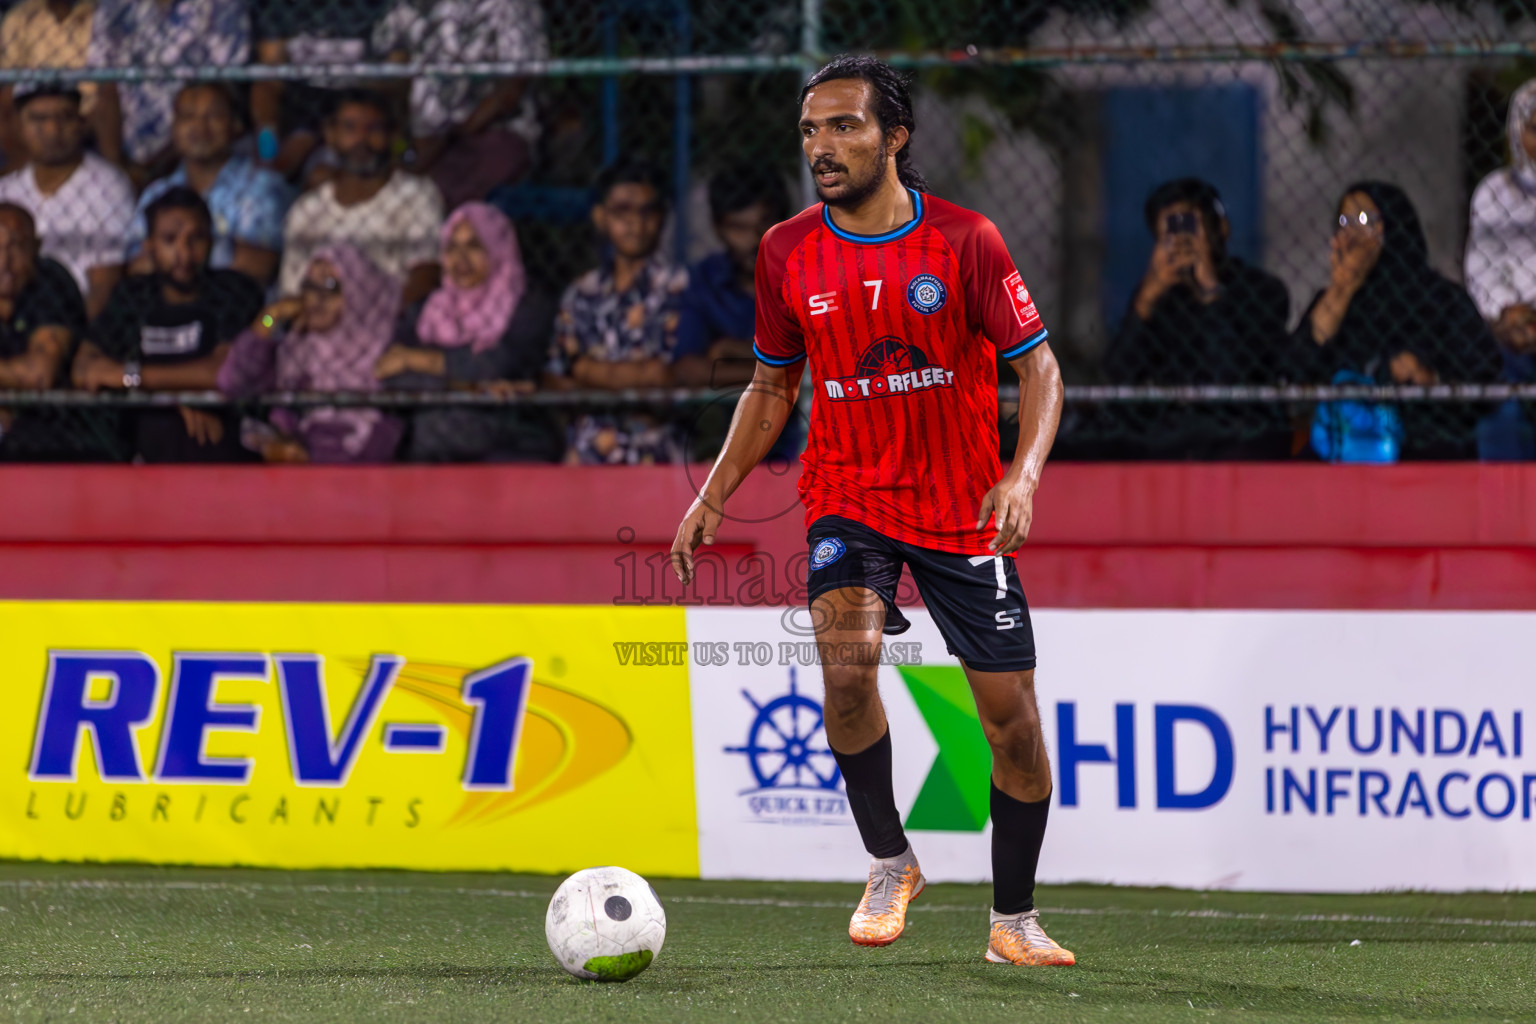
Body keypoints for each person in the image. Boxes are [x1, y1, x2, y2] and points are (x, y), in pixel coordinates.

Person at [669, 55, 1073, 967]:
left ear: (895, 138)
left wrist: (1023, 477)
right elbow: (772, 388)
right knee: (845, 669)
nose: (822, 145)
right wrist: (713, 494)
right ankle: (891, 862)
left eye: (844, 126)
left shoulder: (967, 241)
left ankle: (1013, 919)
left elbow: (1039, 369)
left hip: (963, 509)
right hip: (847, 496)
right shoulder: (786, 250)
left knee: (1010, 724)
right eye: (811, 129)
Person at [1291, 181, 1500, 458]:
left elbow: (1485, 380)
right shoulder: (1332, 300)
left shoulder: (1441, 299)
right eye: (1344, 221)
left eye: (1364, 219)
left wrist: (1428, 378)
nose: (1351, 232)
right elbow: (1295, 369)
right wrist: (1342, 290)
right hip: (1344, 443)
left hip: (1425, 442)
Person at [1102, 177, 1291, 459]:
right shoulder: (1158, 299)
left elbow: (1234, 375)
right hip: (1170, 433)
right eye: (1170, 231)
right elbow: (1118, 379)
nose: (1181, 240)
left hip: (1240, 430)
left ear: (1220, 229)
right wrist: (1147, 299)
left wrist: (1208, 290)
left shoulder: (1261, 290)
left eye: (1189, 225)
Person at [70, 186, 262, 462]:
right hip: (142, 431)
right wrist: (174, 397)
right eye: (170, 240)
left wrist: (130, 377)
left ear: (211, 242)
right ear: (149, 246)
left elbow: (223, 372)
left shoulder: (235, 291)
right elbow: (84, 368)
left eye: (196, 239)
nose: (184, 253)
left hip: (220, 430)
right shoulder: (132, 295)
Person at [374, 201, 559, 461]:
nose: (460, 259)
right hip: (432, 452)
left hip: (508, 446)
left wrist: (415, 359)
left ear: (497, 249)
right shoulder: (425, 310)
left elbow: (499, 365)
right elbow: (389, 376)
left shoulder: (527, 304)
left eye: (474, 246)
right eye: (452, 247)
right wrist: (469, 384)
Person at [546, 159, 689, 464]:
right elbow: (556, 378)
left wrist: (587, 372)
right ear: (600, 217)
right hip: (585, 456)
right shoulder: (581, 293)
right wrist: (634, 378)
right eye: (622, 211)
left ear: (662, 217)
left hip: (657, 454)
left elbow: (669, 376)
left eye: (647, 210)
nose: (635, 222)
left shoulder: (680, 288)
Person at [219, 243, 403, 463]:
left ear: (358, 290)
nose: (316, 298)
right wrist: (271, 316)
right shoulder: (296, 348)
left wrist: (308, 457)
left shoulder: (385, 352)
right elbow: (234, 381)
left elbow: (384, 441)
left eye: (329, 285)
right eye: (309, 285)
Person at [371, 0, 545, 210]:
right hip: (415, 139)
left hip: (483, 133)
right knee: (375, 160)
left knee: (447, 189)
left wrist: (448, 139)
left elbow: (510, 91)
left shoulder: (509, 5)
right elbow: (393, 74)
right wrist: (402, 137)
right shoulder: (408, 5)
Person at [278, 89, 444, 306]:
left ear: (392, 135)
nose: (361, 140)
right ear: (330, 135)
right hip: (320, 329)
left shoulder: (416, 195)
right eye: (349, 128)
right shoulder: (307, 210)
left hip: (389, 326)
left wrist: (368, 329)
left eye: (373, 129)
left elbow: (425, 279)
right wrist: (268, 323)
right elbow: (288, 300)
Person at [126, 83, 291, 287]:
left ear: (235, 125)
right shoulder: (157, 192)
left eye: (213, 116)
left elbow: (259, 267)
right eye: (187, 116)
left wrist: (171, 259)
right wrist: (225, 252)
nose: (199, 127)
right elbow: (137, 268)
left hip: (252, 315)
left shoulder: (262, 185)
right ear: (174, 127)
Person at [0, 81, 133, 319]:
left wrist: (80, 342)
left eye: (64, 117)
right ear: (19, 125)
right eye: (38, 119)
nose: (52, 130)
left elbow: (105, 283)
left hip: (76, 318)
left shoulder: (108, 185)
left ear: (82, 122)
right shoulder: (7, 189)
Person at [87, 0, 249, 185]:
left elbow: (224, 91)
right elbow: (106, 91)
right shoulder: (115, 6)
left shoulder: (220, 5)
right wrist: (118, 169)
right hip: (128, 154)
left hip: (200, 148)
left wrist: (160, 165)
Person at [249, 0, 396, 184]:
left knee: (327, 172)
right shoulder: (280, 6)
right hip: (301, 107)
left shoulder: (375, 7)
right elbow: (269, 79)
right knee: (278, 168)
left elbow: (392, 79)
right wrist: (268, 150)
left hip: (356, 102)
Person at [674, 162, 792, 390]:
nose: (756, 239)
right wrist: (779, 372)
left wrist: (733, 351)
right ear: (718, 230)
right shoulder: (705, 282)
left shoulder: (813, 275)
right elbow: (688, 371)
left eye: (765, 224)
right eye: (739, 228)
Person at [0, 202, 88, 461]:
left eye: (16, 246)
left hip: (51, 422)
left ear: (35, 248)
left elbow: (39, 375)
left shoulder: (50, 280)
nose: (5, 261)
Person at [1466, 79, 1536, 361]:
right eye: (1534, 129)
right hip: (1509, 320)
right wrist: (1505, 307)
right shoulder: (1496, 190)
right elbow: (1482, 265)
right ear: (1516, 132)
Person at [0, 0, 100, 171]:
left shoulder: (98, 15)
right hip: (32, 118)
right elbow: (7, 92)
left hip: (89, 120)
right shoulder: (20, 18)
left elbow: (103, 94)